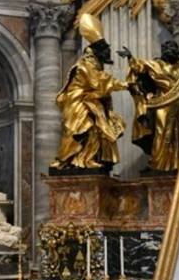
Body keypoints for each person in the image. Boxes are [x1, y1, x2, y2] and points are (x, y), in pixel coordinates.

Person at [51, 13, 128, 171]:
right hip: (78, 103)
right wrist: (125, 84)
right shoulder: (86, 65)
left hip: (89, 102)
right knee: (80, 130)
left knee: (95, 130)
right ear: (99, 51)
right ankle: (66, 160)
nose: (109, 54)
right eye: (107, 51)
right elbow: (99, 82)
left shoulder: (94, 64)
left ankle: (86, 159)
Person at [120, 40, 179, 172]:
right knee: (162, 131)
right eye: (166, 48)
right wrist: (130, 57)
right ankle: (159, 162)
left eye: (172, 48)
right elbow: (139, 67)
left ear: (177, 51)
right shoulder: (155, 64)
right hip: (163, 102)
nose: (169, 51)